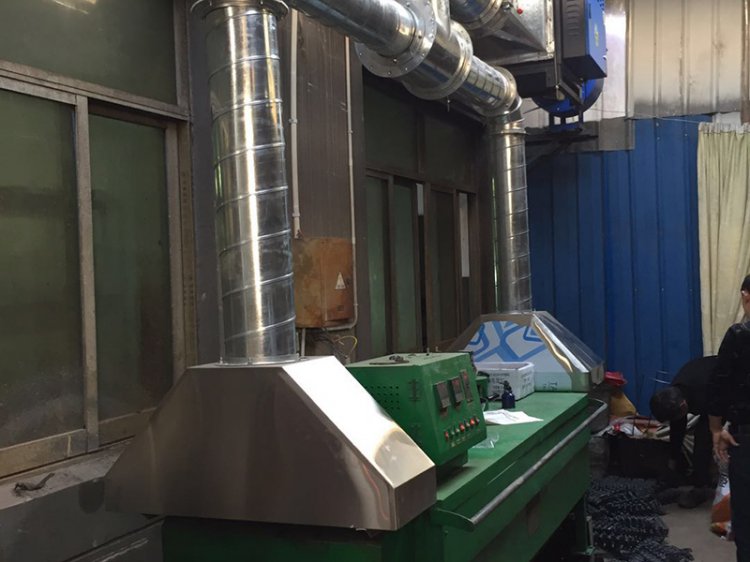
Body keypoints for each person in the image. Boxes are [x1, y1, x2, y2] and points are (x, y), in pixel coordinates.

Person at [710, 274, 750, 562]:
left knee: (746, 519)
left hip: (745, 438)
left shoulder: (739, 336)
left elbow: (719, 386)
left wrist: (716, 430)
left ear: (745, 295)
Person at [650, 356, 717, 507]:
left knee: (703, 438)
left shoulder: (703, 390)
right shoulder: (674, 393)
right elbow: (677, 428)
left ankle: (701, 487)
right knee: (685, 432)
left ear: (684, 405)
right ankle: (695, 476)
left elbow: (713, 420)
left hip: (731, 390)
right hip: (711, 386)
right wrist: (672, 460)